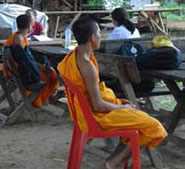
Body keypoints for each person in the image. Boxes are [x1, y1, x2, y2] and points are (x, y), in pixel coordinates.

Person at [57, 16, 167, 169]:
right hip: (96, 117)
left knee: (138, 117)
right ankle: (112, 163)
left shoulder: (74, 55)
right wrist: (122, 108)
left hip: (84, 112)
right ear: (91, 38)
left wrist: (120, 105)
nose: (101, 36)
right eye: (99, 33)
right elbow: (97, 105)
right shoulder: (87, 66)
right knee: (155, 127)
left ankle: (115, 160)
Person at [5, 14, 58, 108]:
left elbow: (26, 60)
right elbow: (25, 62)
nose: (33, 27)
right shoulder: (19, 41)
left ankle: (43, 100)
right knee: (52, 75)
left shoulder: (17, 36)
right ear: (29, 26)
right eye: (32, 25)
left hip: (19, 69)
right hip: (23, 73)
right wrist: (41, 68)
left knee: (48, 69)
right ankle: (39, 101)